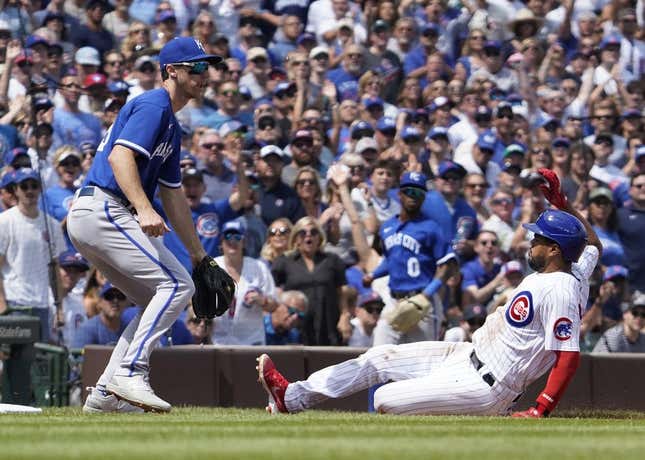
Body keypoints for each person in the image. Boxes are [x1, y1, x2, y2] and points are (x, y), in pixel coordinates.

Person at [257, 173, 602, 417]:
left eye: (539, 238)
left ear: (555, 249)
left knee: (385, 399)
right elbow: (593, 245)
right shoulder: (574, 268)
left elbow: (568, 356)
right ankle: (291, 397)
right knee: (379, 357)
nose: (531, 240)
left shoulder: (561, 287)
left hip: (488, 387)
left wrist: (540, 409)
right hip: (467, 354)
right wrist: (563, 205)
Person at [67, 37, 225, 414]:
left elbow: (173, 197)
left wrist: (200, 256)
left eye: (208, 67)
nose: (206, 74)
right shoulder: (154, 104)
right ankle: (130, 371)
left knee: (157, 297)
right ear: (171, 70)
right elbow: (120, 157)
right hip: (105, 207)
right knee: (174, 285)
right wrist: (142, 208)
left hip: (101, 213)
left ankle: (105, 393)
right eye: (197, 67)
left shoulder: (172, 124)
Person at [0, 168, 66, 404]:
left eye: (33, 186)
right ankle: (10, 401)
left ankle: (35, 404)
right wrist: (2, 303)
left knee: (38, 361)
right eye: (24, 186)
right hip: (16, 301)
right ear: (15, 190)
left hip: (42, 303)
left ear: (40, 189)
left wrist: (58, 307)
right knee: (13, 360)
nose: (29, 191)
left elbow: (54, 269)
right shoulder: (5, 221)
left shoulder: (51, 225)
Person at [364, 172, 454, 345]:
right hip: (394, 300)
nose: (414, 197)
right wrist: (373, 275)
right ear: (399, 194)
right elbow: (392, 261)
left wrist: (427, 295)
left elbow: (447, 265)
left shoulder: (431, 228)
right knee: (378, 356)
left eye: (419, 194)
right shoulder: (387, 227)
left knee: (421, 364)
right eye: (409, 192)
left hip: (422, 302)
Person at [271, 216, 350, 346]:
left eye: (313, 232)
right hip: (297, 330)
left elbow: (342, 291)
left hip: (329, 326)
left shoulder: (333, 260)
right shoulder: (284, 262)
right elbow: (276, 294)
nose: (308, 236)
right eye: (302, 233)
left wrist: (345, 316)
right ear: (296, 239)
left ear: (319, 237)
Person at [212, 221, 277, 346]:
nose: (232, 241)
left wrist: (262, 300)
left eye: (237, 237)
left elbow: (274, 305)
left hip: (251, 341)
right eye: (227, 237)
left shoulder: (259, 268)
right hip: (218, 341)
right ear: (221, 242)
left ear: (244, 242)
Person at [71, 283, 131, 349]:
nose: (115, 300)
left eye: (120, 296)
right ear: (100, 302)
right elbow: (77, 358)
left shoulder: (130, 328)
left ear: (126, 302)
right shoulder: (87, 329)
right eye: (109, 296)